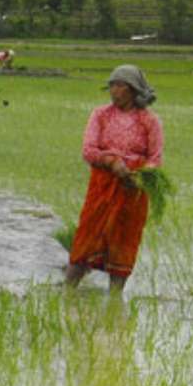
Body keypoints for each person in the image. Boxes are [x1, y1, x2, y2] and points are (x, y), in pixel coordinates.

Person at [66, 64, 163, 294]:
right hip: (103, 184)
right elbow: (88, 150)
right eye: (112, 85)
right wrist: (111, 162)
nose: (114, 91)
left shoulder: (149, 121)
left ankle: (115, 298)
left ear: (132, 90)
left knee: (124, 238)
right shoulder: (100, 115)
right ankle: (68, 291)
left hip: (133, 189)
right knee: (88, 235)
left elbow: (155, 158)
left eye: (119, 85)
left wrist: (139, 175)